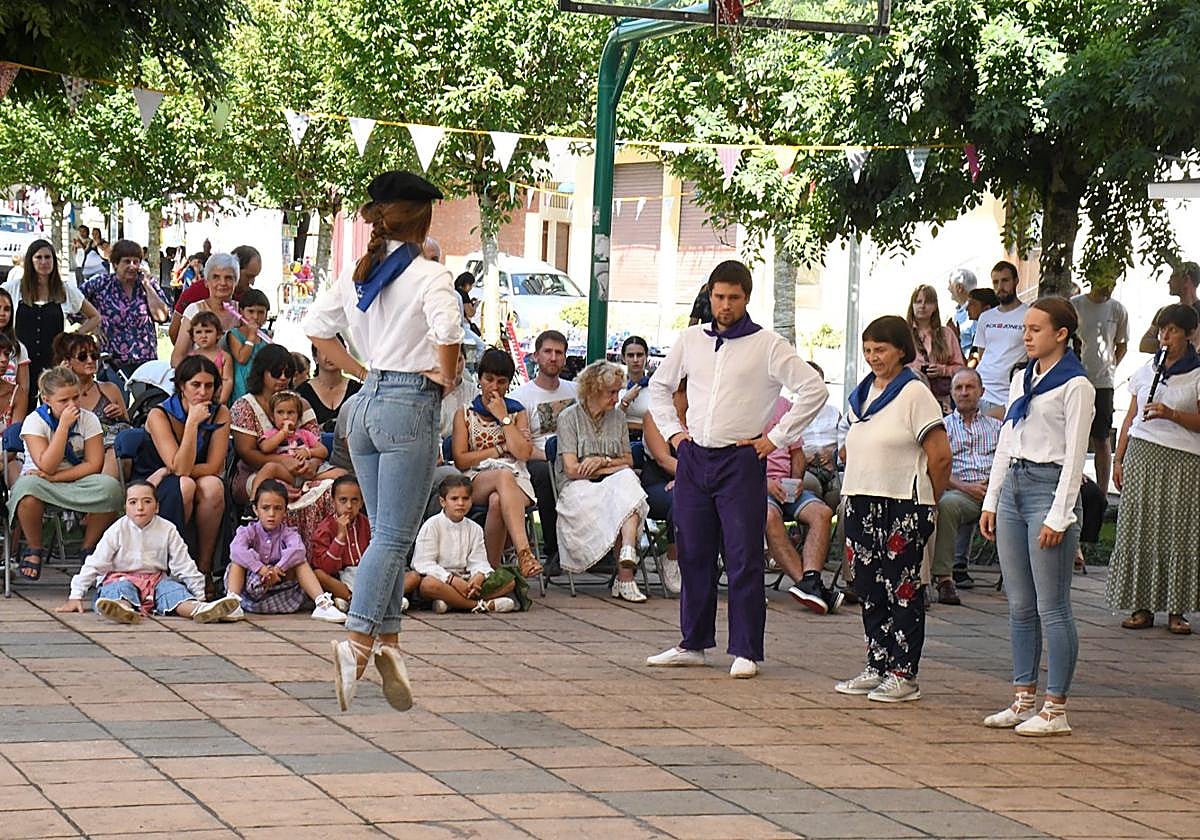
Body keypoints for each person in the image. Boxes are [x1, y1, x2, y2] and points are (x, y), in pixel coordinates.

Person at [302, 169, 462, 713]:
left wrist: (362, 367)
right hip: (407, 404)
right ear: (424, 218)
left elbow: (316, 329)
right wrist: (446, 374)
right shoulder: (431, 275)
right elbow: (448, 335)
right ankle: (358, 642)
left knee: (383, 533)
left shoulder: (358, 274)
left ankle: (390, 644)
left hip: (364, 403)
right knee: (394, 536)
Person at [645, 260, 829, 678]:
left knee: (743, 553)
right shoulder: (691, 339)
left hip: (742, 458)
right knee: (693, 550)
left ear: (746, 298)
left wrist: (776, 438)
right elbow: (660, 386)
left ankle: (745, 648)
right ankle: (693, 641)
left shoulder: (768, 344)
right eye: (718, 296)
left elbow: (812, 389)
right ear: (709, 295)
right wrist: (675, 434)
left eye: (733, 298)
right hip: (694, 456)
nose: (724, 305)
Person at [979, 297, 1094, 736]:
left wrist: (1059, 515)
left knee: (1053, 605)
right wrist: (992, 500)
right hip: (1015, 486)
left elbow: (1074, 457)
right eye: (1024, 328)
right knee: (1020, 605)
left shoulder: (1076, 385)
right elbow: (1007, 440)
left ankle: (1055, 707)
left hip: (1049, 489)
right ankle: (1023, 696)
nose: (1026, 336)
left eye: (1035, 329)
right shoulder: (1023, 377)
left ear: (1061, 334)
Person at [833, 316, 951, 702]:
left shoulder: (914, 394)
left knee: (902, 587)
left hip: (903, 501)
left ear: (901, 349)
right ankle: (877, 662)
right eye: (867, 350)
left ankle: (904, 673)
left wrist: (927, 503)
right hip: (861, 497)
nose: (873, 357)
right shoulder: (862, 394)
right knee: (868, 586)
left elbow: (940, 457)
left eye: (880, 350)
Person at [1107, 304, 1200, 636]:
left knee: (1178, 531)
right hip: (1143, 453)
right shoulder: (1148, 369)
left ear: (1189, 335)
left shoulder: (1198, 373)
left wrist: (1171, 414)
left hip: (1183, 459)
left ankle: (1177, 610)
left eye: (1173, 330)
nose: (1165, 337)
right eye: (1162, 330)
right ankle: (1141, 606)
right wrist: (1118, 460)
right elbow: (1130, 419)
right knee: (1141, 528)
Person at [54, 481, 241, 624]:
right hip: (121, 577)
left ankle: (199, 609)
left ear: (157, 507)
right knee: (118, 591)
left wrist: (199, 593)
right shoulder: (117, 530)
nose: (140, 508)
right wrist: (76, 595)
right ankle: (123, 610)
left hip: (156, 580)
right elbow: (96, 562)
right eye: (133, 502)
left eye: (147, 502)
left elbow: (183, 563)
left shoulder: (167, 529)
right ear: (125, 507)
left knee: (173, 591)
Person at [9, 368, 124, 581]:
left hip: (75, 478)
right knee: (27, 490)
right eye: (64, 400)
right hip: (39, 481)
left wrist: (55, 478)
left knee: (111, 488)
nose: (72, 405)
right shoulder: (35, 421)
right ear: (47, 399)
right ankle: (35, 548)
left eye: (76, 397)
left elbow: (93, 464)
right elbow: (47, 465)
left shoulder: (89, 420)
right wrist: (63, 427)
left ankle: (89, 549)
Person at [554, 360, 651, 602]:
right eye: (611, 392)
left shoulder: (618, 417)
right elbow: (573, 470)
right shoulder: (569, 418)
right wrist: (607, 465)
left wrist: (601, 460)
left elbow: (628, 460)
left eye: (618, 391)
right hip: (577, 488)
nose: (616, 397)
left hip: (610, 483)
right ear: (593, 390)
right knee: (623, 494)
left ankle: (627, 552)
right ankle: (625, 577)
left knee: (626, 482)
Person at [135, 356, 230, 578]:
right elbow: (180, 470)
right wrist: (192, 424)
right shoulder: (159, 413)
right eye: (195, 385)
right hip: (154, 479)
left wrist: (173, 470)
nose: (203, 392)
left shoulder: (220, 412)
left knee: (213, 486)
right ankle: (174, 566)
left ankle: (204, 569)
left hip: (183, 473)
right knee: (185, 485)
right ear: (181, 386)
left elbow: (214, 465)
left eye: (209, 385)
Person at [450, 348, 541, 576]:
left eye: (501, 381)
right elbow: (461, 459)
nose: (494, 387)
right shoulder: (465, 414)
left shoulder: (517, 412)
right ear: (479, 379)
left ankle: (489, 572)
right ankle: (523, 552)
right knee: (502, 476)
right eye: (489, 379)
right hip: (477, 478)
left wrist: (503, 417)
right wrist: (500, 449)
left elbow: (522, 453)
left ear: (509, 384)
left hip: (518, 480)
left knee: (497, 501)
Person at [225, 479, 349, 623]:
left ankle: (322, 604)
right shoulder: (247, 531)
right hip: (250, 589)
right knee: (237, 562)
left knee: (300, 562)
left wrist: (278, 569)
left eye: (278, 508)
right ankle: (232, 604)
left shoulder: (288, 533)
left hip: (281, 586)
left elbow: (297, 550)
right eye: (265, 508)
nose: (271, 514)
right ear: (255, 510)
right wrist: (261, 570)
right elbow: (236, 550)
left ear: (285, 511)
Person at [761, 396, 840, 615]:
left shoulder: (784, 405)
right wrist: (765, 483)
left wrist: (796, 480)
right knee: (769, 517)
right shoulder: (739, 403)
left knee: (822, 513)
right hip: (753, 486)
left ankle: (811, 579)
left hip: (786, 486)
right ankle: (806, 585)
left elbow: (797, 452)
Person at [930, 369, 1001, 604]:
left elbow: (1010, 460)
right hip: (961, 493)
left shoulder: (997, 427)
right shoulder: (942, 428)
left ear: (982, 391)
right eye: (958, 388)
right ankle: (944, 579)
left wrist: (993, 486)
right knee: (947, 505)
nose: (964, 393)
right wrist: (965, 487)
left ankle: (1025, 580)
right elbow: (935, 466)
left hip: (998, 493)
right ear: (951, 393)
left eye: (970, 387)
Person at [7, 240, 101, 412]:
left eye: (48, 257)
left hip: (53, 363)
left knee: (54, 411)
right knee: (21, 409)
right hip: (21, 363)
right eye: (39, 257)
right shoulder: (13, 289)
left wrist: (73, 338)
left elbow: (94, 316)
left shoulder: (65, 290)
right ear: (30, 261)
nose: (44, 262)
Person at [511, 330, 577, 573]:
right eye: (548, 352)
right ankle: (555, 550)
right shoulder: (521, 397)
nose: (553, 357)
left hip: (575, 457)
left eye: (559, 353)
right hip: (538, 460)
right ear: (536, 356)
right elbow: (522, 448)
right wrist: (551, 457)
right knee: (545, 474)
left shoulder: (576, 391)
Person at [412, 474, 523, 614]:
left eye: (465, 499)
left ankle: (452, 602)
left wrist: (478, 576)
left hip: (467, 580)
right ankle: (477, 605)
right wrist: (451, 580)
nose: (460, 503)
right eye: (454, 499)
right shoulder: (432, 525)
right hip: (441, 579)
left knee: (509, 581)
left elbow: (479, 561)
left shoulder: (475, 528)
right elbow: (423, 563)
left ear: (471, 501)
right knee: (428, 585)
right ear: (442, 501)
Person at [309, 475, 410, 612]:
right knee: (318, 575)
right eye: (343, 500)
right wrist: (340, 537)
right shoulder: (325, 529)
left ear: (362, 502)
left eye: (354, 500)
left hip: (368, 575)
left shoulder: (368, 524)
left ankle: (371, 599)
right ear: (333, 502)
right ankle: (354, 599)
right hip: (341, 579)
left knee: (412, 576)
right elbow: (327, 568)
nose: (349, 506)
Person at [80, 239, 171, 379]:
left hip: (145, 359)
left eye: (136, 261)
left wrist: (147, 286)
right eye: (127, 261)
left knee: (148, 400)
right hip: (112, 360)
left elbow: (162, 317)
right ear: (115, 264)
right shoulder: (100, 284)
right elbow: (73, 303)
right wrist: (92, 326)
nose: (132, 266)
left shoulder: (148, 284)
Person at [1072, 276, 1128, 497]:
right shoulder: (1076, 304)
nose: (1109, 284)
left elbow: (1121, 345)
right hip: (1076, 379)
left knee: (1102, 438)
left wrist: (1110, 367)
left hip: (1103, 384)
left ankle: (1102, 495)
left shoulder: (1118, 309)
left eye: (1113, 280)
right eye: (1106, 277)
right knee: (1072, 435)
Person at [53, 333, 130, 478]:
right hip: (75, 454)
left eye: (94, 355)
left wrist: (119, 414)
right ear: (67, 362)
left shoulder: (110, 389)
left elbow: (128, 426)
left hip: (110, 455)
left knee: (113, 452)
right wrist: (62, 378)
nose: (90, 360)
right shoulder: (59, 396)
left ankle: (104, 493)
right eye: (82, 356)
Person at [970, 261, 1029, 418]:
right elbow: (982, 354)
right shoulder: (986, 317)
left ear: (1016, 281)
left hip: (1008, 395)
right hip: (980, 391)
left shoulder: (1029, 314)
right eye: (996, 282)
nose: (1000, 286)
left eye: (1005, 280)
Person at [169, 244, 262, 342]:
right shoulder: (198, 290)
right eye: (249, 276)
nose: (252, 282)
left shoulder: (247, 297)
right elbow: (174, 331)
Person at [252, 390, 337, 495]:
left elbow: (323, 451)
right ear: (272, 417)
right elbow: (265, 447)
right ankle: (253, 501)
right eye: (280, 412)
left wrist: (308, 452)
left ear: (298, 416)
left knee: (341, 474)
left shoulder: (305, 434)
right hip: (287, 474)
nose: (285, 417)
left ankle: (310, 484)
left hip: (308, 471)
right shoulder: (272, 434)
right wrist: (283, 433)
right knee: (269, 468)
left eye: (290, 412)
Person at [170, 253, 242, 368]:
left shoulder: (242, 312)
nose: (222, 283)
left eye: (228, 278)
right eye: (216, 277)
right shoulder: (194, 310)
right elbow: (178, 357)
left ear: (236, 282)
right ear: (206, 282)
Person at [640, 409, 681, 594]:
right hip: (658, 484)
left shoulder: (702, 413)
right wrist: (692, 478)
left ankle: (737, 573)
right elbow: (663, 459)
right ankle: (672, 558)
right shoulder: (655, 416)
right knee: (683, 498)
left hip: (694, 480)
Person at [906, 284, 966, 413]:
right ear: (912, 305)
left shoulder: (946, 334)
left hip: (941, 401)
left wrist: (942, 370)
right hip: (910, 399)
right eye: (918, 302)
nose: (922, 306)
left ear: (934, 307)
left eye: (928, 302)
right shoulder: (903, 333)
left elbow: (961, 369)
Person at [298, 340, 362, 432]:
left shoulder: (360, 390)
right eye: (324, 350)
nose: (330, 355)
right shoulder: (301, 392)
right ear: (315, 357)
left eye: (335, 351)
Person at [1138, 262, 1200, 353]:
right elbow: (1144, 344)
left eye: (1173, 277)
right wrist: (1170, 345)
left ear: (1186, 280)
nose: (1168, 281)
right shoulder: (1165, 312)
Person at [226, 288, 272, 404]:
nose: (255, 317)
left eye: (261, 312)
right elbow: (242, 358)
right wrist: (251, 336)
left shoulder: (266, 336)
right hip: (242, 386)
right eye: (250, 312)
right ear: (241, 312)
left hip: (262, 386)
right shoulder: (234, 334)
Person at [184, 311, 234, 405]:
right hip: (195, 400)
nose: (203, 336)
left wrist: (222, 401)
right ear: (193, 336)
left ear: (218, 334)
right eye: (198, 332)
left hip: (217, 401)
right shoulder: (191, 357)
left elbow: (227, 380)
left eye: (208, 331)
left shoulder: (224, 357)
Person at [0, 288, 31, 414]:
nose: (2, 313)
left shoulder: (19, 347)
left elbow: (23, 387)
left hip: (10, 408)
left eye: (7, 309)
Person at [617, 335, 652, 438]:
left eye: (639, 355)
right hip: (618, 439)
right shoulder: (614, 386)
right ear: (623, 358)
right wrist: (625, 402)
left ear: (646, 357)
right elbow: (610, 421)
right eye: (631, 355)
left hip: (647, 441)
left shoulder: (656, 388)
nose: (635, 360)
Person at [947, 268, 978, 357]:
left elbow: (976, 350)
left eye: (950, 284)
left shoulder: (975, 312)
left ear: (959, 288)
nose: (948, 288)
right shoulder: (956, 312)